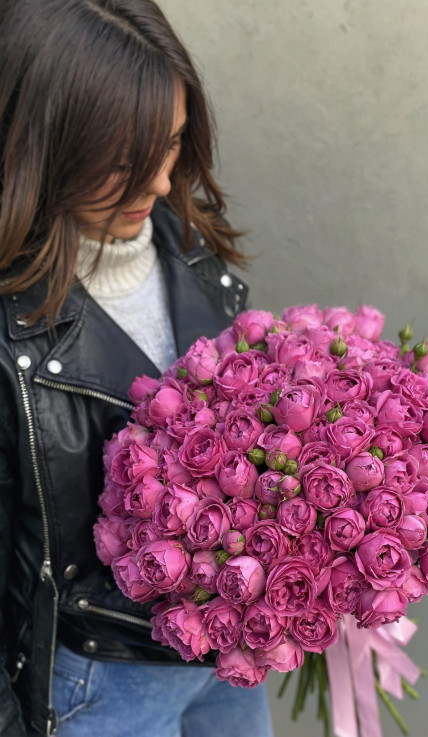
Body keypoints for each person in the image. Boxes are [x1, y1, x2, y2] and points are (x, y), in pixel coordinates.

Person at [0, 1, 274, 735]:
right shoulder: (9, 331)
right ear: (46, 145)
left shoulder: (185, 240)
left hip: (223, 660)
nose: (159, 181)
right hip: (97, 684)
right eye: (124, 160)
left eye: (174, 143)